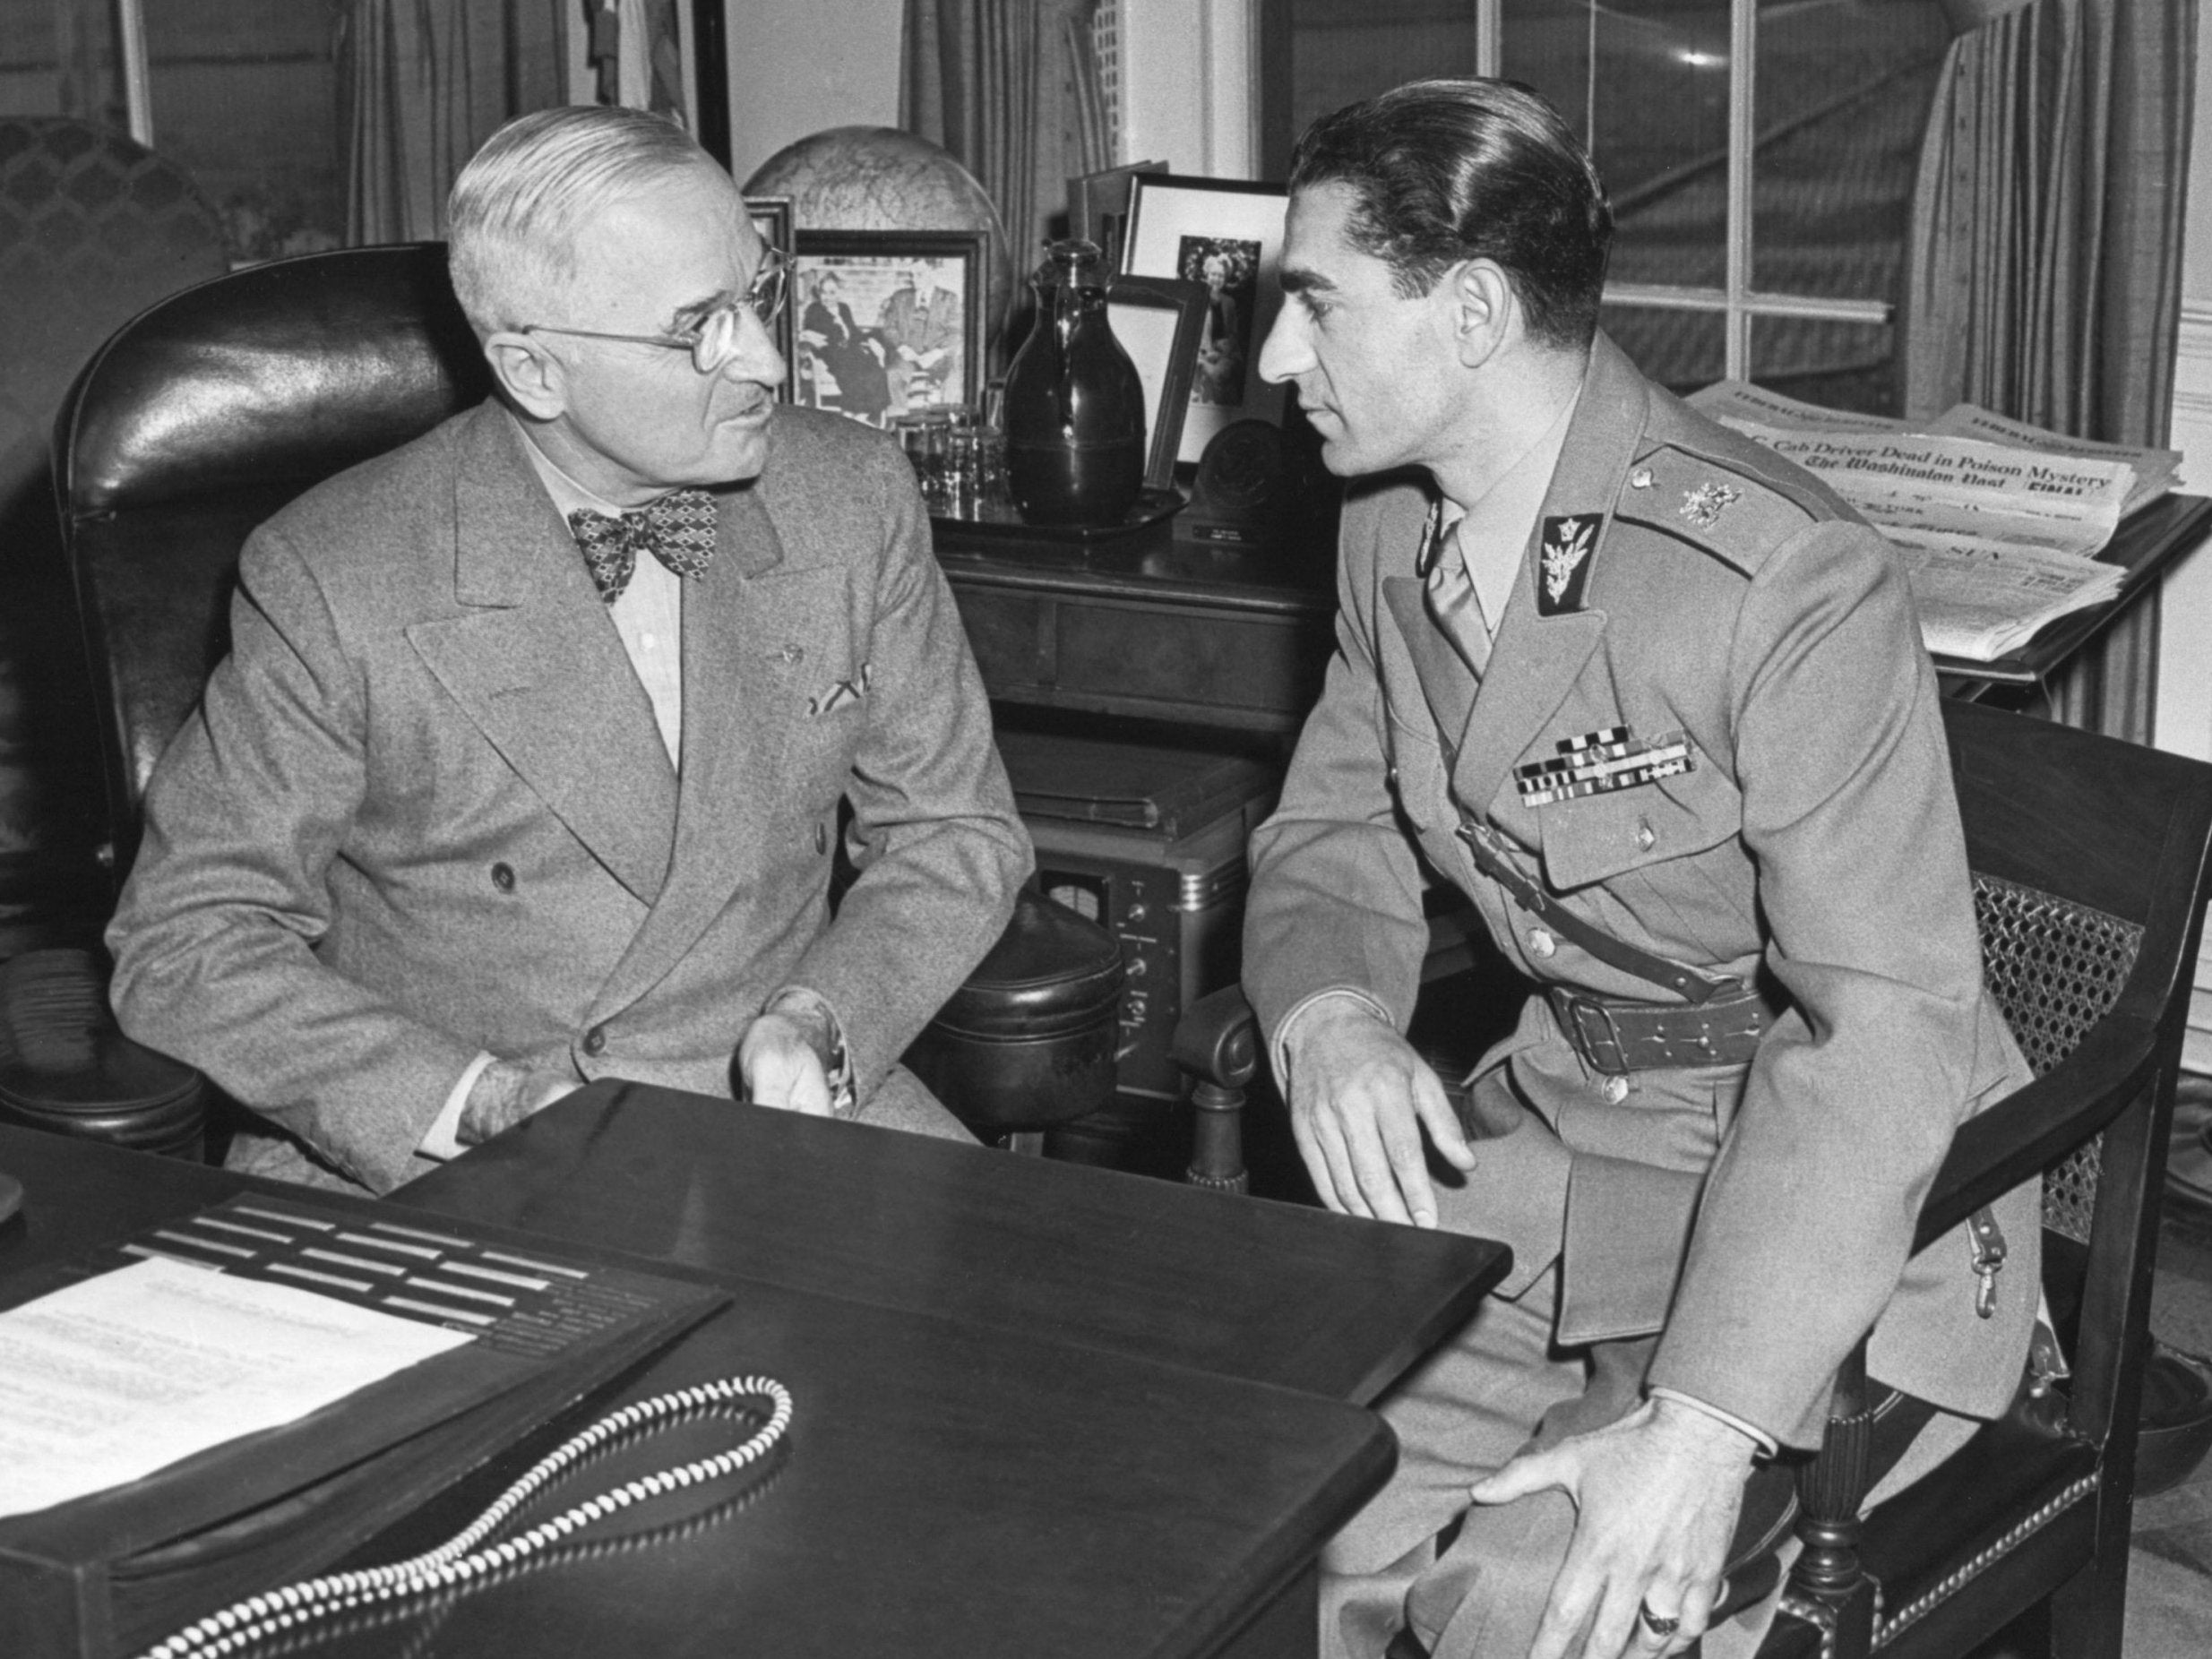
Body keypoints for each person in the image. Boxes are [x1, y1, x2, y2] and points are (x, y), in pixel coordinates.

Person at [1240, 79, 2040, 1659]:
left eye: (1311, 307)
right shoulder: (1384, 529)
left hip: (1813, 1199)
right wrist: (1327, 1012)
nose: (1271, 361)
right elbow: (1332, 829)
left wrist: (1698, 1422)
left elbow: (1877, 1028)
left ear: (1467, 311)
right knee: (1266, 1505)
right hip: (1553, 1152)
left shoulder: (1777, 580)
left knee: (1538, 1606)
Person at [107, 106, 1031, 1196]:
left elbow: (955, 832)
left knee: (1046, 1348)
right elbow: (187, 938)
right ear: (534, 371)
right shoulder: (334, 571)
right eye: (702, 327)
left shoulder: (851, 497)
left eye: (759, 293)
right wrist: (479, 1101)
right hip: (451, 1142)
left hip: (793, 1110)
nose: (770, 362)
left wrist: (823, 1019)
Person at [800, 270, 891, 422]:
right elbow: (812, 334)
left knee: (876, 369)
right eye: (823, 292)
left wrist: (870, 340)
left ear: (839, 293)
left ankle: (865, 414)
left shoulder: (844, 308)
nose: (827, 297)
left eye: (832, 292)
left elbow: (854, 332)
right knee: (853, 371)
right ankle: (853, 414)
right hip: (831, 352)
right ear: (819, 293)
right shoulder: (814, 310)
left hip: (852, 350)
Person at [876, 267, 964, 408]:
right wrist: (903, 348)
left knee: (954, 377)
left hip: (938, 358)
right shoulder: (900, 297)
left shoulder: (949, 298)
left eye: (920, 274)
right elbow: (888, 328)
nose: (915, 279)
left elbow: (956, 333)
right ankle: (899, 419)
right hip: (907, 356)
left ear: (933, 273)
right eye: (913, 274)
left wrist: (936, 354)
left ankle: (947, 418)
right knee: (893, 373)